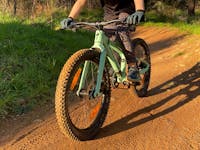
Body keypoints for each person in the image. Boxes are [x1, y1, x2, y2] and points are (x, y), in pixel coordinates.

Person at [61, 0, 145, 82]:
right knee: (109, 37)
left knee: (121, 30)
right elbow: (80, 2)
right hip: (110, 13)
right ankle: (115, 65)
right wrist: (70, 18)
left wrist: (140, 10)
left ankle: (133, 67)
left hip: (126, 10)